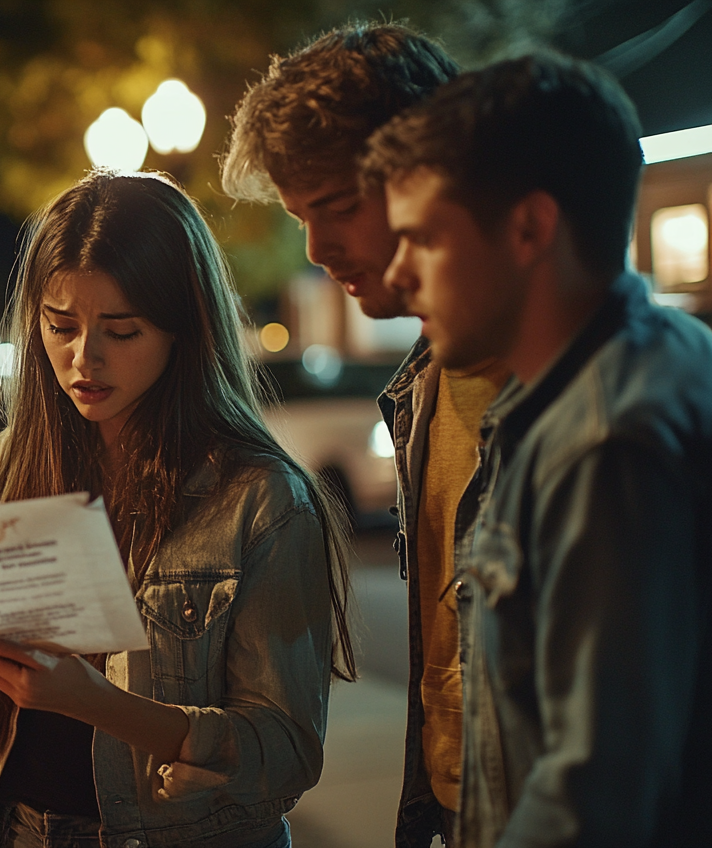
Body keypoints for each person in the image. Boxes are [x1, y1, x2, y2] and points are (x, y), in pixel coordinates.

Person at [0, 170, 357, 848]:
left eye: (122, 330)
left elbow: (284, 751)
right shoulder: (18, 462)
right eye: (60, 326)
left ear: (183, 330)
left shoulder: (259, 498)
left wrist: (101, 705)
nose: (85, 357)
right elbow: (30, 731)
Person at [363, 52, 712, 847]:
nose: (399, 274)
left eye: (422, 238)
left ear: (528, 228)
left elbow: (593, 794)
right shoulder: (662, 356)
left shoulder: (603, 439)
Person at [222, 23, 488, 847]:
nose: (316, 247)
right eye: (301, 215)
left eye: (337, 207)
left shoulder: (567, 386)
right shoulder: (421, 389)